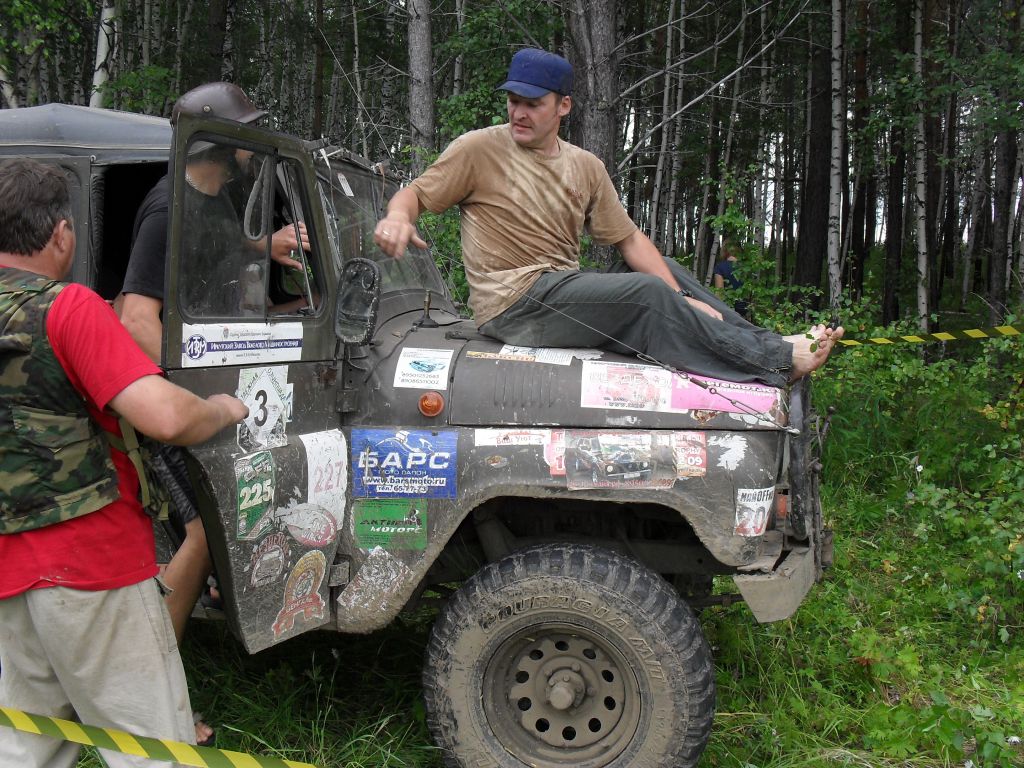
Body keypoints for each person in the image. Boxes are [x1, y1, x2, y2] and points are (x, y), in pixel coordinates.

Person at [374, 48, 843, 386]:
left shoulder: (585, 166)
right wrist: (398, 216)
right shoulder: (478, 149)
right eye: (513, 100)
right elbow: (415, 195)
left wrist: (684, 297)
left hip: (560, 290)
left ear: (563, 106)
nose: (519, 113)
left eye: (533, 104)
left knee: (663, 272)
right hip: (513, 304)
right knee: (648, 293)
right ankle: (778, 360)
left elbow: (630, 240)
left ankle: (769, 343)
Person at [0, 158, 249, 768]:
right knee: (155, 750)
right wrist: (220, 408)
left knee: (24, 745)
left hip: (10, 572)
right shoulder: (70, 308)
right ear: (62, 234)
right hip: (93, 563)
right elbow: (166, 416)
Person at [115, 82, 310, 745]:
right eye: (244, 134)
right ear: (219, 144)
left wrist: (263, 250)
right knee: (202, 533)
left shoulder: (214, 201)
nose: (253, 146)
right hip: (177, 403)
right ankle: (151, 707)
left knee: (222, 527)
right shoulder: (166, 208)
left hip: (211, 396)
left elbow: (212, 262)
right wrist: (182, 397)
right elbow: (135, 316)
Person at [713, 238, 748, 317]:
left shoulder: (720, 267)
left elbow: (719, 292)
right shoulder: (746, 267)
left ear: (724, 250)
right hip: (744, 307)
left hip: (728, 308)